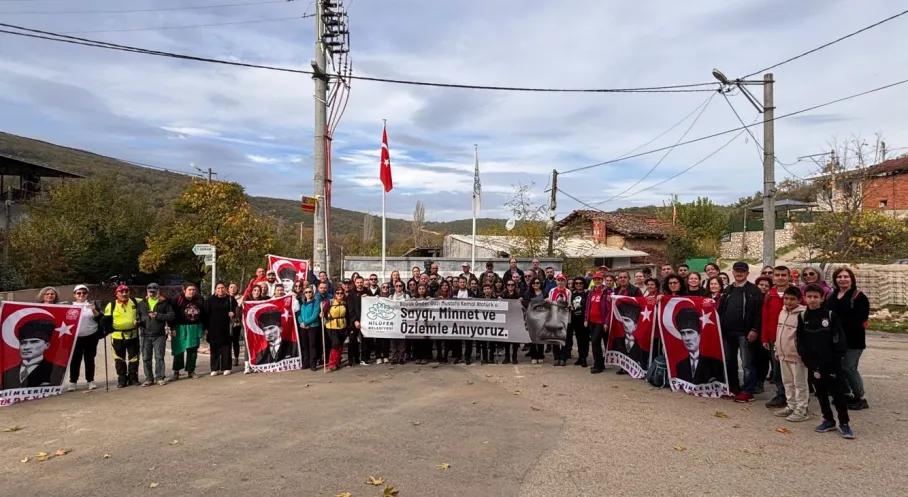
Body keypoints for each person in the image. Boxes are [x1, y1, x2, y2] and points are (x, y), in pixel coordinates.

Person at [798, 284, 854, 439]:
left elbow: (839, 338)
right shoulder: (803, 317)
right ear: (805, 298)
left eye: (816, 297)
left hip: (831, 363)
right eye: (809, 296)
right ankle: (828, 419)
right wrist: (806, 359)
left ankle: (844, 423)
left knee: (837, 394)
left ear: (822, 298)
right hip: (814, 364)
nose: (812, 300)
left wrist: (836, 358)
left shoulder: (829, 316)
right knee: (821, 393)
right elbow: (800, 340)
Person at [825, 266, 871, 411]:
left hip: (853, 340)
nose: (842, 279)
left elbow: (860, 318)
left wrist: (838, 324)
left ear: (851, 279)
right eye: (839, 277)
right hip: (836, 340)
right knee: (838, 368)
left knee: (849, 367)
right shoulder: (832, 296)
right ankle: (846, 394)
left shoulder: (858, 297)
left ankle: (860, 397)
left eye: (846, 277)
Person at [717, 262, 763, 402]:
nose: (739, 273)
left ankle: (749, 390)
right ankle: (733, 387)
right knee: (730, 361)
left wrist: (755, 329)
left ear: (747, 273)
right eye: (737, 271)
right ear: (733, 272)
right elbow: (721, 309)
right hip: (728, 332)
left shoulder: (754, 290)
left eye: (742, 271)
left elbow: (759, 313)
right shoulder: (728, 290)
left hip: (745, 332)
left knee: (747, 363)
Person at [773, 287, 809, 422]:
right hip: (783, 353)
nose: (788, 302)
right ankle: (791, 405)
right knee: (788, 382)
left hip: (797, 356)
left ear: (799, 300)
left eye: (792, 299)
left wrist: (803, 353)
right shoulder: (782, 312)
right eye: (786, 298)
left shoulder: (803, 314)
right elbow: (779, 332)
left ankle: (802, 409)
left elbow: (805, 337)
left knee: (799, 383)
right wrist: (777, 349)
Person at [1, 317, 65, 388]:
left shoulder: (56, 370)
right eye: (23, 343)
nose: (26, 347)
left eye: (34, 342)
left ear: (47, 345)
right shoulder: (8, 373)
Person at [761, 266, 793, 409]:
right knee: (777, 369)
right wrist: (764, 338)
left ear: (789, 276)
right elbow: (765, 318)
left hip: (791, 338)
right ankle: (781, 395)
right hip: (774, 338)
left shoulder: (795, 293)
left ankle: (795, 397)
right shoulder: (770, 294)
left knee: (792, 370)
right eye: (777, 275)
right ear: (773, 277)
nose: (780, 277)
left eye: (783, 275)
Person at [102, 285, 141, 388]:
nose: (124, 294)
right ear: (116, 293)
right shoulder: (111, 305)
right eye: (121, 292)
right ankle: (122, 379)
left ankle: (133, 378)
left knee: (134, 358)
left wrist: (161, 298)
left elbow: (149, 299)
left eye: (126, 291)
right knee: (119, 359)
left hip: (133, 335)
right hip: (117, 336)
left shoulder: (135, 301)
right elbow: (106, 320)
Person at [673, 307, 725, 384]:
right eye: (683, 333)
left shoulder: (714, 364)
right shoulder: (680, 366)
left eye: (690, 332)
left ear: (699, 334)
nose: (686, 338)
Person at [137, 283, 174, 386]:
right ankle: (149, 378)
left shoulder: (164, 303)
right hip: (145, 334)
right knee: (146, 358)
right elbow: (138, 316)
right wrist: (137, 321)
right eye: (150, 291)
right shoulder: (142, 303)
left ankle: (159, 377)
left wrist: (158, 315)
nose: (152, 293)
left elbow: (171, 316)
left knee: (159, 357)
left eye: (154, 291)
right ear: (147, 291)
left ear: (158, 291)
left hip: (159, 334)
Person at [67, 285, 101, 392]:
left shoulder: (92, 305)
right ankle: (73, 381)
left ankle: (90, 380)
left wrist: (94, 310)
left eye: (84, 293)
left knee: (89, 359)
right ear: (74, 295)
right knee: (75, 360)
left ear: (87, 294)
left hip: (90, 336)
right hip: (76, 337)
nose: (81, 295)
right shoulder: (70, 306)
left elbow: (100, 319)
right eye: (79, 293)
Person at [169, 282, 206, 381]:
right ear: (184, 290)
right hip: (179, 327)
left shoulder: (199, 299)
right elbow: (171, 314)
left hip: (194, 327)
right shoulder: (177, 299)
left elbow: (204, 314)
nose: (192, 292)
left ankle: (191, 371)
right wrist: (171, 328)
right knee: (178, 350)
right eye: (189, 289)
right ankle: (176, 371)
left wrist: (203, 328)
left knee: (193, 350)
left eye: (193, 290)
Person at [206, 282, 238, 376]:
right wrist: (206, 328)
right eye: (218, 288)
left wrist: (233, 314)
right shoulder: (210, 300)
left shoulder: (230, 299)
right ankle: (214, 368)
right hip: (213, 327)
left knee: (226, 348)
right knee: (214, 348)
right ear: (215, 289)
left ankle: (226, 367)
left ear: (225, 289)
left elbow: (236, 310)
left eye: (222, 288)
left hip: (226, 327)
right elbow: (206, 314)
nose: (220, 290)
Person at [611, 299, 647, 374]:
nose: (624, 323)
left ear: (635, 325)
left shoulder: (639, 342)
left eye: (627, 321)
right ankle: (623, 367)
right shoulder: (619, 340)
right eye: (622, 320)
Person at [586, 272, 612, 374]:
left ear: (602, 280)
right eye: (595, 279)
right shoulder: (591, 292)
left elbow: (610, 309)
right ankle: (599, 364)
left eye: (599, 279)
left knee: (595, 341)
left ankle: (598, 365)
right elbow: (588, 306)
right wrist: (586, 319)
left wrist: (606, 322)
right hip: (592, 320)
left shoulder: (607, 292)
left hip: (601, 321)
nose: (597, 281)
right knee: (595, 343)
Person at [564, 278, 588, 367]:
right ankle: (580, 357)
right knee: (577, 339)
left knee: (584, 340)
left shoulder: (587, 294)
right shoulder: (572, 294)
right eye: (576, 283)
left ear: (583, 284)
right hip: (574, 319)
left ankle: (584, 358)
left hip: (583, 319)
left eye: (580, 283)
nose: (578, 285)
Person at [523, 277, 548, 364]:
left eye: (537, 283)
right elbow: (525, 304)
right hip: (531, 318)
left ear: (540, 284)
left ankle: (540, 355)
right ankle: (534, 355)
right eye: (534, 283)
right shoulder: (528, 293)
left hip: (543, 318)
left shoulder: (545, 293)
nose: (535, 285)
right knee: (532, 337)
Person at [323, 287, 347, 371]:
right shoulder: (330, 302)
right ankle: (332, 363)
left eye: (341, 293)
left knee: (340, 344)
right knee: (335, 344)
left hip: (342, 326)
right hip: (331, 326)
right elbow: (323, 312)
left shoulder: (345, 302)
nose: (339, 294)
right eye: (338, 293)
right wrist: (322, 314)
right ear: (335, 294)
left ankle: (337, 361)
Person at [499, 279, 522, 365]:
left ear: (514, 286)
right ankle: (507, 357)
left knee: (515, 340)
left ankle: (514, 357)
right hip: (506, 319)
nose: (510, 286)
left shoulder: (518, 295)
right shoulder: (503, 295)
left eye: (512, 285)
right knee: (506, 340)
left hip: (516, 320)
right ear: (506, 286)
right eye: (509, 285)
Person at [346, 276, 366, 366]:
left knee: (365, 340)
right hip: (354, 321)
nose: (359, 284)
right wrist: (355, 321)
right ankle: (351, 359)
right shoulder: (351, 294)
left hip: (365, 320)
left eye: (361, 282)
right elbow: (350, 309)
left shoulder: (367, 292)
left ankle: (362, 359)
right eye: (358, 282)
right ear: (355, 283)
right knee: (352, 341)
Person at [389, 283, 409, 365]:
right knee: (393, 341)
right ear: (394, 287)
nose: (398, 287)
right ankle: (394, 357)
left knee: (402, 341)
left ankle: (401, 357)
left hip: (403, 320)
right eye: (396, 286)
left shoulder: (406, 296)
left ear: (403, 287)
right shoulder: (390, 297)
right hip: (393, 321)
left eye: (400, 286)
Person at [228, 283, 243, 367]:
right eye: (231, 287)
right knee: (228, 341)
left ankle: (236, 358)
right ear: (228, 289)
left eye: (235, 287)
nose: (233, 289)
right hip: (226, 322)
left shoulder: (241, 298)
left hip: (236, 322)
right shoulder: (225, 297)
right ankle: (228, 357)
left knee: (235, 341)